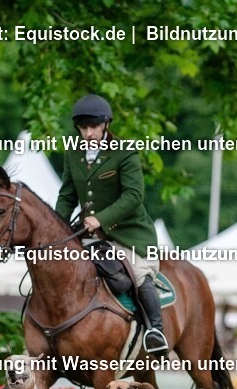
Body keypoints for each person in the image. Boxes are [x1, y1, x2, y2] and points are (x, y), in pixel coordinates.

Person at [55, 93, 169, 356]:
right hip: (91, 234)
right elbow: (67, 196)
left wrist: (101, 218)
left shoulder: (125, 152)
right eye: (83, 127)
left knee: (138, 274)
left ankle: (156, 331)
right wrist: (57, 228)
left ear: (106, 124)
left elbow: (134, 195)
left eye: (94, 127)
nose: (88, 133)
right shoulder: (73, 153)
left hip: (129, 234)